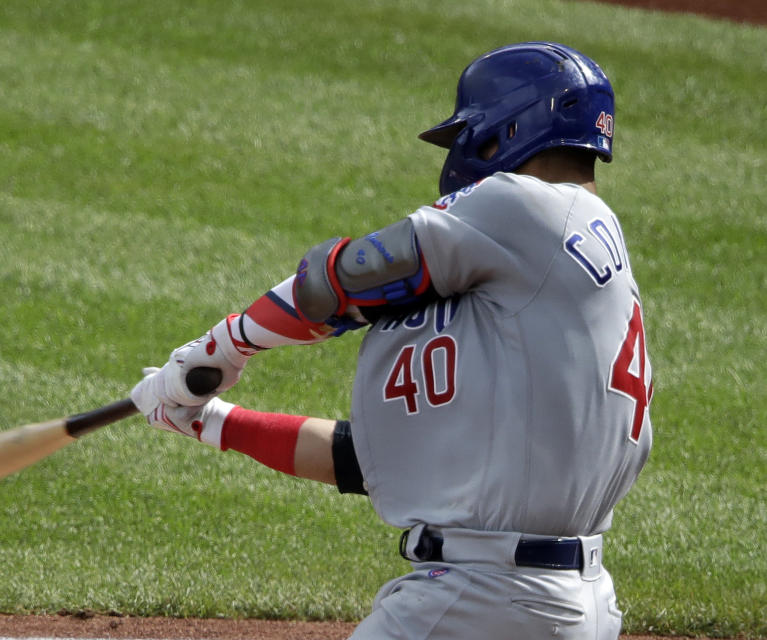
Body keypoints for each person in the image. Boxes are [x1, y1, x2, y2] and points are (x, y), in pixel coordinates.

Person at [131, 41, 653, 640]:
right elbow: (366, 460)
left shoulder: (528, 208)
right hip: (569, 603)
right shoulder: (565, 283)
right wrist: (208, 420)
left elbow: (337, 283)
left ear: (503, 133)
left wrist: (220, 349)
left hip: (481, 600)